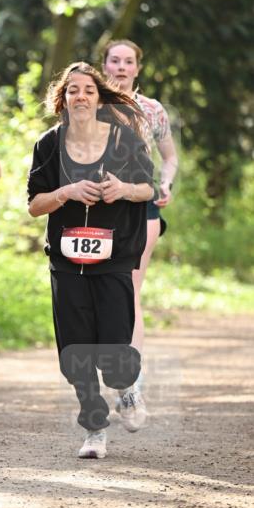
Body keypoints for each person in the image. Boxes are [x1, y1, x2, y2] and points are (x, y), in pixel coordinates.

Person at [27, 62, 154, 460]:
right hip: (67, 261)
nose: (80, 96)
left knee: (115, 351)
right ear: (62, 100)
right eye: (72, 90)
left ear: (99, 100)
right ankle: (94, 427)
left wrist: (122, 189)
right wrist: (65, 192)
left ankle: (126, 387)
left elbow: (147, 189)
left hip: (113, 258)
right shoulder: (49, 144)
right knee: (75, 353)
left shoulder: (123, 140)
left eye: (88, 90)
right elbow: (35, 205)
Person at [101, 39, 179, 362]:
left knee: (130, 289)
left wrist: (165, 184)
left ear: (138, 68)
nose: (121, 67)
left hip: (142, 207)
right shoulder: (90, 103)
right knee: (98, 291)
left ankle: (131, 372)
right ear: (103, 65)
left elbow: (170, 157)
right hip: (99, 207)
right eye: (115, 60)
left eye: (128, 62)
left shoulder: (152, 110)